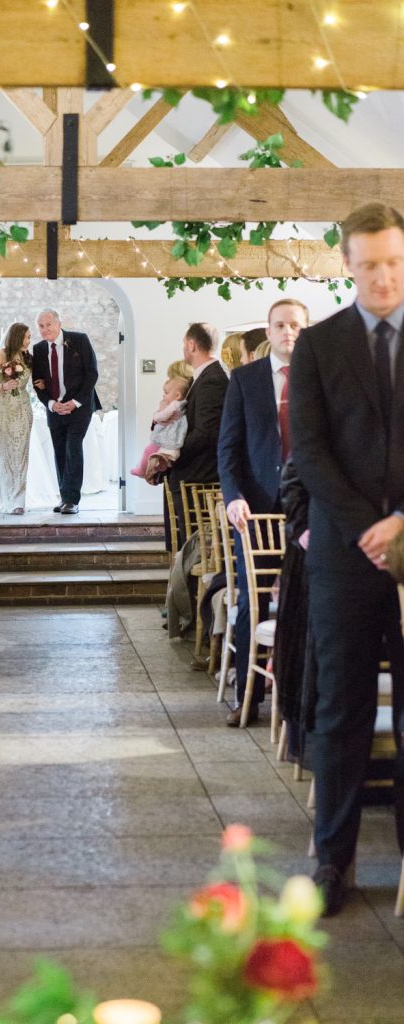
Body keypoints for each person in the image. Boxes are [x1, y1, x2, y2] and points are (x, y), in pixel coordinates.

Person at [291, 201, 404, 916]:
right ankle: (332, 862)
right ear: (345, 264)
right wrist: (372, 527)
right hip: (342, 553)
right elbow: (310, 451)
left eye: (392, 262)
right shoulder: (318, 344)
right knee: (341, 712)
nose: (383, 277)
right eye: (368, 265)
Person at [217, 298, 309, 727]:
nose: (288, 332)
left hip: (307, 509)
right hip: (253, 509)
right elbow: (229, 448)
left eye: (295, 325)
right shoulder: (245, 378)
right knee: (252, 602)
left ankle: (297, 698)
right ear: (268, 332)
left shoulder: (320, 377)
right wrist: (233, 496)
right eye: (280, 325)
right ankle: (247, 699)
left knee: (305, 601)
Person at [32, 308, 100, 515]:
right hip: (55, 409)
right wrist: (52, 404)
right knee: (59, 451)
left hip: (80, 407)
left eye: (48, 325)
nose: (45, 330)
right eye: (41, 326)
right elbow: (38, 383)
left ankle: (72, 499)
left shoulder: (79, 340)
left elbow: (92, 373)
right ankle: (64, 497)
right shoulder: (39, 349)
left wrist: (75, 402)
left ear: (59, 323)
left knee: (73, 447)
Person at [167, 322, 228, 549]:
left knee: (195, 547)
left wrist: (172, 453)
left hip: (199, 475)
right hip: (191, 474)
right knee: (186, 546)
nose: (183, 348)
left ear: (192, 345)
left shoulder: (212, 379)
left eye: (184, 343)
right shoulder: (201, 377)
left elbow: (206, 432)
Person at [0, 322, 34, 514]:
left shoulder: (28, 358)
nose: (29, 341)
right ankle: (7, 499)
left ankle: (19, 501)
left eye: (30, 337)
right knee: (4, 455)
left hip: (21, 409)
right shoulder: (1, 355)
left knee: (21, 454)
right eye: (27, 337)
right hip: (1, 410)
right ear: (17, 337)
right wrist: (5, 386)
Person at [131, 375, 189, 482]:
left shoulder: (175, 405)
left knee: (149, 450)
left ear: (177, 395)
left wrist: (156, 416)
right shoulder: (179, 405)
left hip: (167, 436)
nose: (164, 395)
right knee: (162, 455)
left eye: (166, 393)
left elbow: (161, 416)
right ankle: (159, 466)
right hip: (169, 436)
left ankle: (142, 471)